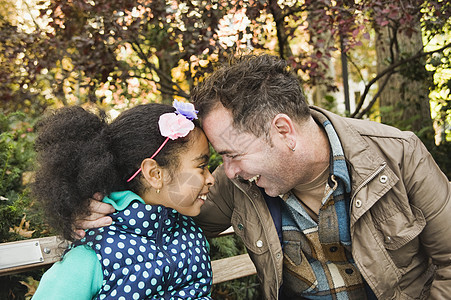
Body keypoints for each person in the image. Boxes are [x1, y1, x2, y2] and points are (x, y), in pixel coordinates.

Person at [81, 54, 451, 299]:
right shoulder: (236, 182)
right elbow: (160, 208)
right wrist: (88, 209)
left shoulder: (397, 154)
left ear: (284, 131)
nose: (224, 172)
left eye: (232, 154)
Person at [32, 101, 215, 299]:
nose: (211, 178)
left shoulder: (191, 234)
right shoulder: (95, 253)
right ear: (154, 174)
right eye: (201, 166)